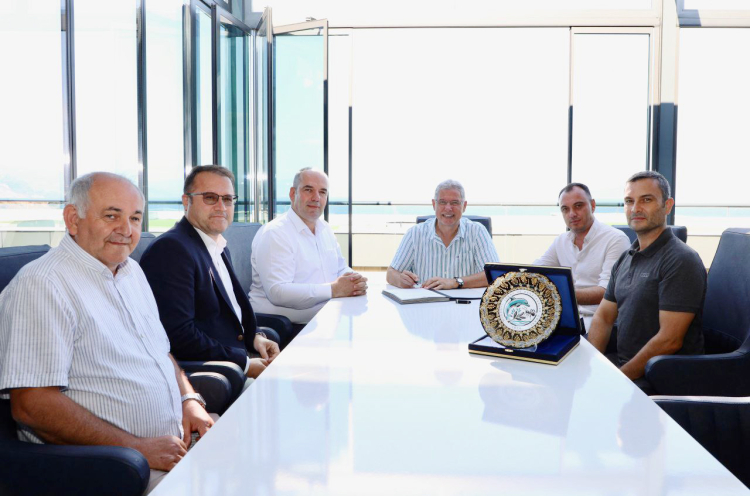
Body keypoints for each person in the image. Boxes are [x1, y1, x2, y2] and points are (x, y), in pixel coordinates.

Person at [0, 172, 214, 493]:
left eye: (135, 218)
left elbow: (157, 350)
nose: (126, 230)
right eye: (112, 216)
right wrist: (138, 449)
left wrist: (188, 399)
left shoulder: (132, 271)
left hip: (172, 446)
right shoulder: (43, 285)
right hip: (117, 469)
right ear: (73, 219)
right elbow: (32, 404)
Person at [140, 165, 279, 381]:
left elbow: (224, 315)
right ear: (186, 201)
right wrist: (243, 364)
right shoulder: (171, 250)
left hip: (236, 357)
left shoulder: (217, 246)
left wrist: (255, 338)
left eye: (228, 199)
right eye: (210, 198)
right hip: (215, 372)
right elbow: (178, 336)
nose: (221, 207)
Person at [587, 171, 706, 393]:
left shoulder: (681, 260)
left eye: (646, 200)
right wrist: (590, 367)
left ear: (667, 206)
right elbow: (603, 317)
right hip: (625, 366)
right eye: (629, 201)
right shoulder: (626, 257)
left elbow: (669, 340)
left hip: (660, 378)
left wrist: (617, 380)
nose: (635, 208)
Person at [248, 168, 367, 346]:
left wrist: (354, 281)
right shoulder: (276, 233)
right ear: (292, 193)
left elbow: (340, 267)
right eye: (308, 190)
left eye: (322, 192)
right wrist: (334, 289)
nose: (316, 198)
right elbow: (278, 292)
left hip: (324, 318)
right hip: (285, 325)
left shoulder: (325, 229)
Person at [534, 183, 630, 330]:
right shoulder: (561, 241)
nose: (572, 214)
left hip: (599, 322)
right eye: (565, 209)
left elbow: (606, 292)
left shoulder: (616, 239)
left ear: (593, 205)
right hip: (563, 319)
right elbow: (536, 272)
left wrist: (558, 293)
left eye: (578, 206)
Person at [387, 179, 499, 289]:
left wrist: (455, 282)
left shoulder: (477, 232)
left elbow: (495, 275)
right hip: (425, 300)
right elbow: (391, 273)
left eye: (454, 203)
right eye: (442, 202)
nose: (448, 208)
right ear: (434, 204)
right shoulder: (414, 234)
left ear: (464, 206)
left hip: (465, 301)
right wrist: (400, 280)